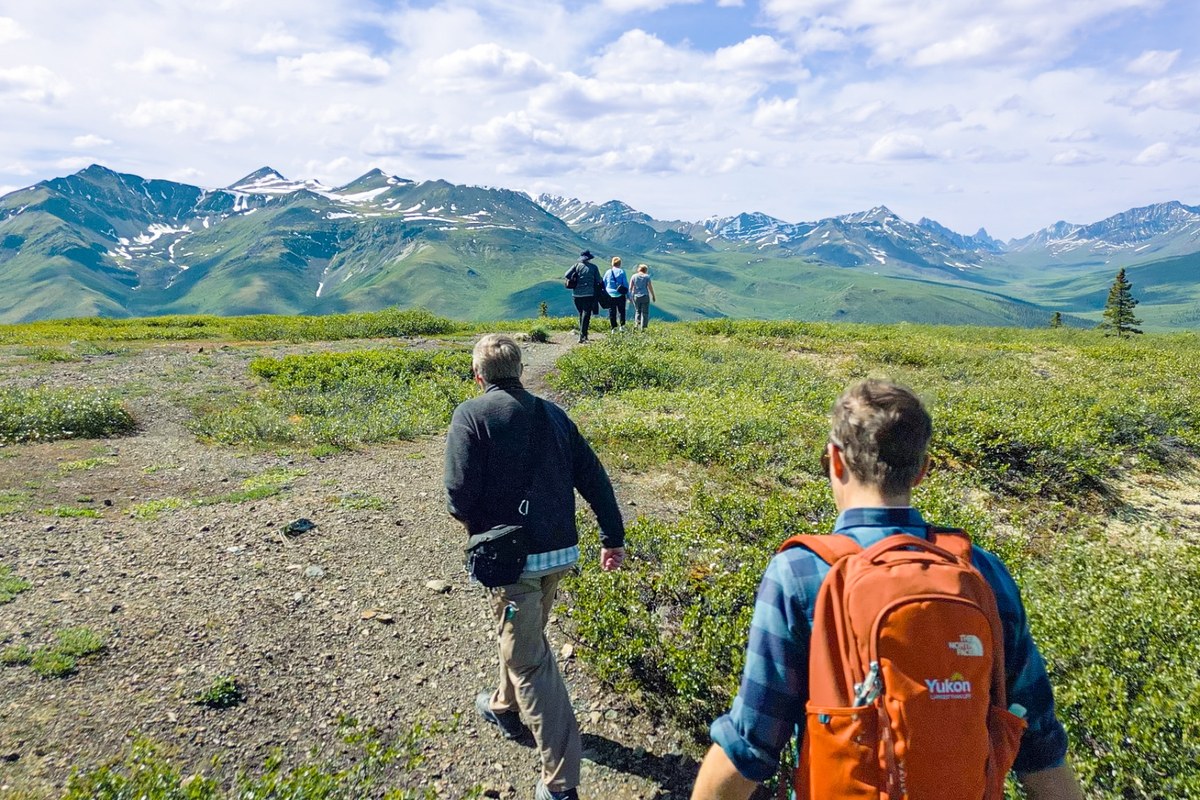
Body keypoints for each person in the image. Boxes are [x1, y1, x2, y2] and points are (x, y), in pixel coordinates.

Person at [691, 379, 1084, 800]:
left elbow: (750, 744)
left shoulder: (801, 572)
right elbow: (1039, 743)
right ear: (921, 470)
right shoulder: (983, 572)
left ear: (835, 462)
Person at [444, 334, 627, 800]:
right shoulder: (555, 415)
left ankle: (560, 784)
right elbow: (594, 477)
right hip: (560, 555)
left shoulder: (471, 415)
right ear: (521, 370)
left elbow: (457, 497)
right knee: (524, 635)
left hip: (511, 565)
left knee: (529, 660)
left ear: (478, 375)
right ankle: (504, 707)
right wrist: (612, 538)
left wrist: (482, 528)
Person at [564, 250, 603, 343]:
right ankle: (583, 335)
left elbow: (566, 275)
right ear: (589, 258)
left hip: (576, 294)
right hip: (589, 294)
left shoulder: (576, 266)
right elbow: (599, 280)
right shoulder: (593, 267)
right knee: (586, 314)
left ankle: (582, 334)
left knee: (581, 313)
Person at [603, 256, 630, 330]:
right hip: (620, 294)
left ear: (612, 263)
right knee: (621, 311)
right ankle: (622, 326)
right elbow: (625, 284)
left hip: (610, 295)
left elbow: (604, 283)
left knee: (612, 311)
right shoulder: (621, 271)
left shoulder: (608, 272)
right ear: (620, 263)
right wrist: (628, 295)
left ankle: (613, 327)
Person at [629, 264, 656, 330]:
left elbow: (630, 287)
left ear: (639, 269)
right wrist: (653, 295)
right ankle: (644, 328)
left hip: (636, 296)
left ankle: (636, 325)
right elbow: (650, 287)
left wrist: (629, 296)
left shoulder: (634, 276)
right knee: (645, 312)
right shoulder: (647, 277)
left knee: (638, 311)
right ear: (645, 270)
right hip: (645, 296)